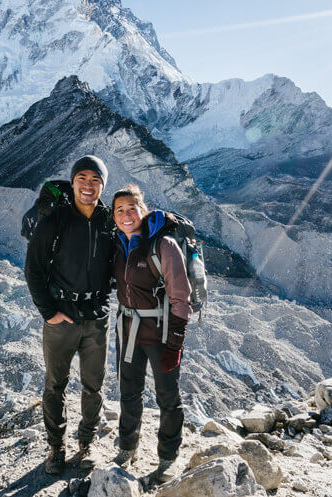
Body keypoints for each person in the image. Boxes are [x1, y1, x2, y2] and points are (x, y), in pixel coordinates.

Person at [24, 155, 115, 476]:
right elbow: (33, 268)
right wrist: (49, 312)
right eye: (82, 178)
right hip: (61, 316)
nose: (88, 185)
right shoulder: (56, 220)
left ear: (103, 185)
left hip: (96, 319)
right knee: (55, 386)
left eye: (95, 180)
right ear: (73, 181)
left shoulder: (110, 221)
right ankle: (56, 447)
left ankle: (87, 443)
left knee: (94, 386)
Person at [110, 184, 192, 483]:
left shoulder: (164, 246)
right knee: (128, 393)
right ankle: (127, 446)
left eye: (132, 208)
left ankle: (167, 456)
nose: (126, 214)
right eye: (119, 210)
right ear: (114, 216)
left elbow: (181, 297)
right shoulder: (118, 244)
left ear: (142, 211)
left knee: (167, 396)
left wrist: (175, 343)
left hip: (160, 333)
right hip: (128, 329)